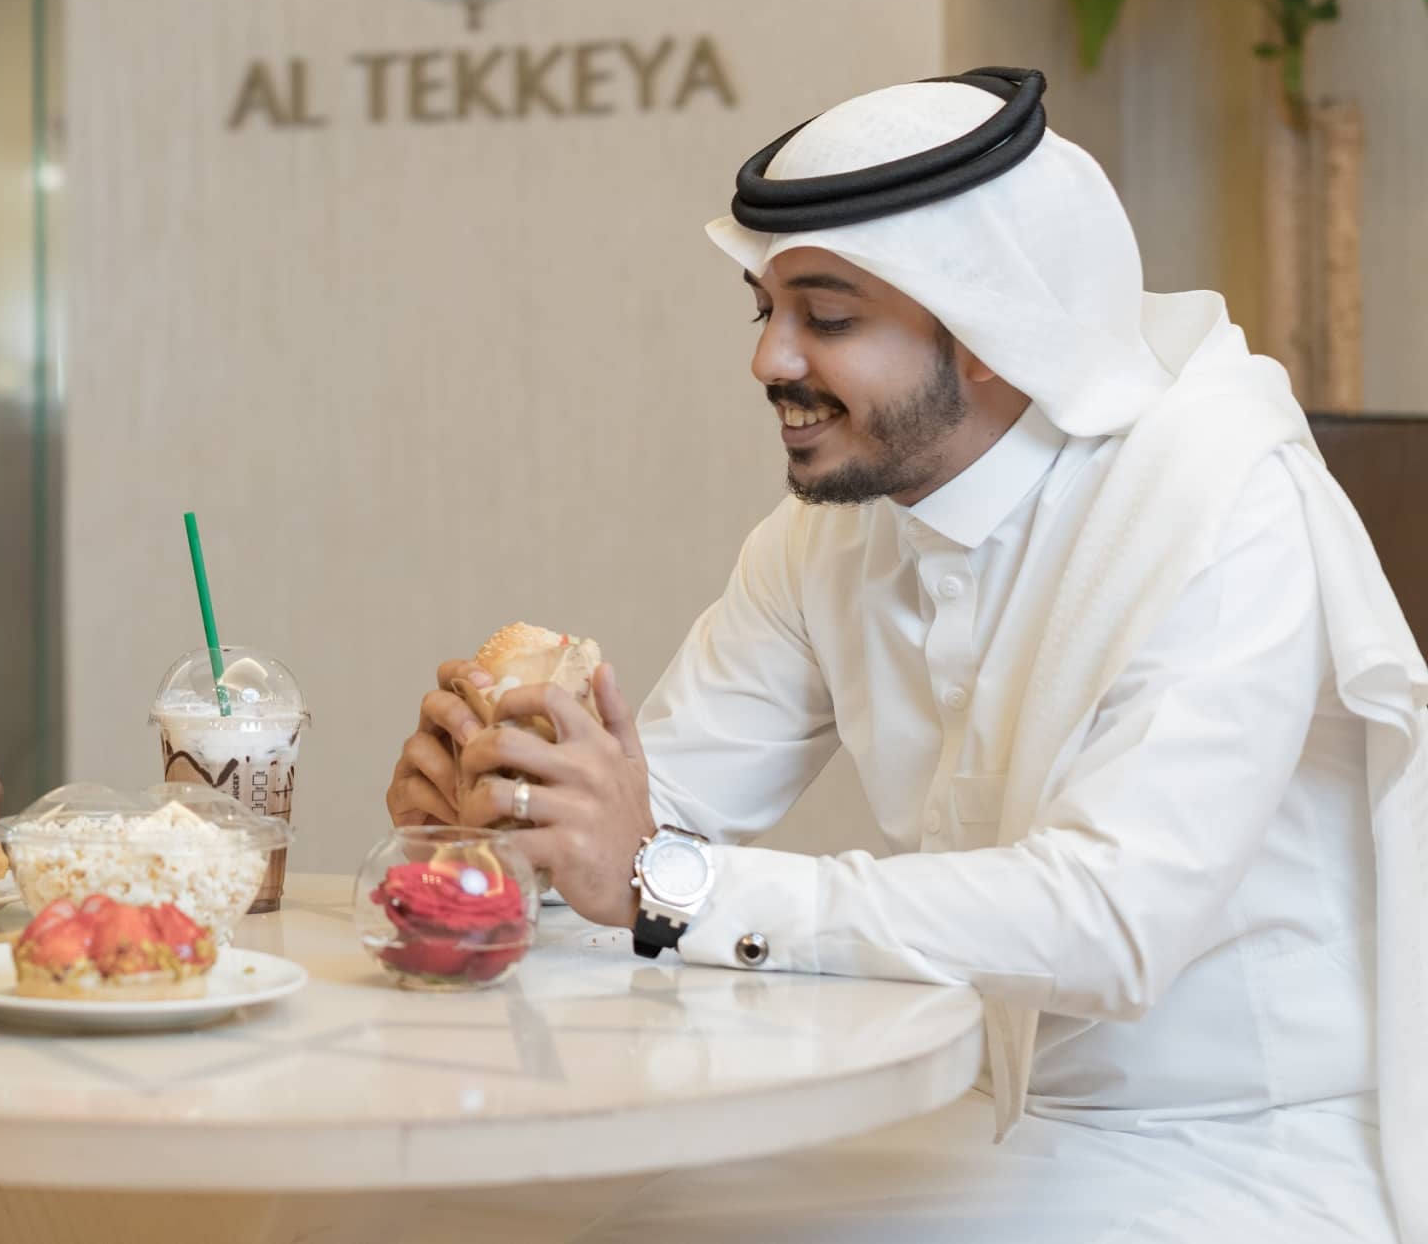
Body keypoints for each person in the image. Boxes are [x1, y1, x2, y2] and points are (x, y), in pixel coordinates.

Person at [383, 69, 1422, 1243]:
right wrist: (499, 828)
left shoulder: (1217, 504)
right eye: (762, 310)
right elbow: (648, 827)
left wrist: (664, 879)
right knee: (434, 1209)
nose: (770, 359)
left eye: (826, 319)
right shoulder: (824, 537)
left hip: (1236, 1149)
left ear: (989, 333)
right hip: (964, 1106)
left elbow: (1112, 921)